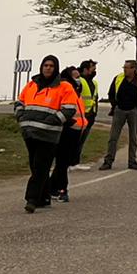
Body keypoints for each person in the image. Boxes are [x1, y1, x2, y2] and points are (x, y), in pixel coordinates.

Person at [15, 55, 84, 213]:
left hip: (49, 134)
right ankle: (44, 197)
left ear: (56, 68)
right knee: (35, 166)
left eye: (51, 66)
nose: (48, 68)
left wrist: (54, 120)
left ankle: (32, 199)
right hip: (29, 132)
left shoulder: (64, 86)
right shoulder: (32, 84)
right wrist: (20, 116)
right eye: (45, 65)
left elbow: (69, 108)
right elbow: (20, 102)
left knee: (40, 166)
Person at [99, 59, 137, 170]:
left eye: (127, 68)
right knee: (113, 137)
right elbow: (111, 93)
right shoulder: (118, 78)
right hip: (119, 110)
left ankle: (132, 161)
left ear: (134, 69)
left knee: (133, 138)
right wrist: (115, 105)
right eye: (124, 68)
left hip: (134, 111)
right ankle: (108, 161)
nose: (125, 70)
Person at [48, 65, 89, 201]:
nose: (79, 80)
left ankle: (51, 188)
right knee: (62, 161)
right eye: (76, 77)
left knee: (64, 162)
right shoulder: (65, 88)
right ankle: (61, 189)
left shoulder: (75, 91)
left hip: (76, 130)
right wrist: (67, 121)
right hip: (66, 129)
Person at [72, 60, 99, 170]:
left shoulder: (94, 83)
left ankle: (75, 162)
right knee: (75, 141)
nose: (94, 70)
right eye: (92, 68)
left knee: (81, 141)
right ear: (85, 69)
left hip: (90, 116)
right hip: (80, 116)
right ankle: (71, 163)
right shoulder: (79, 81)